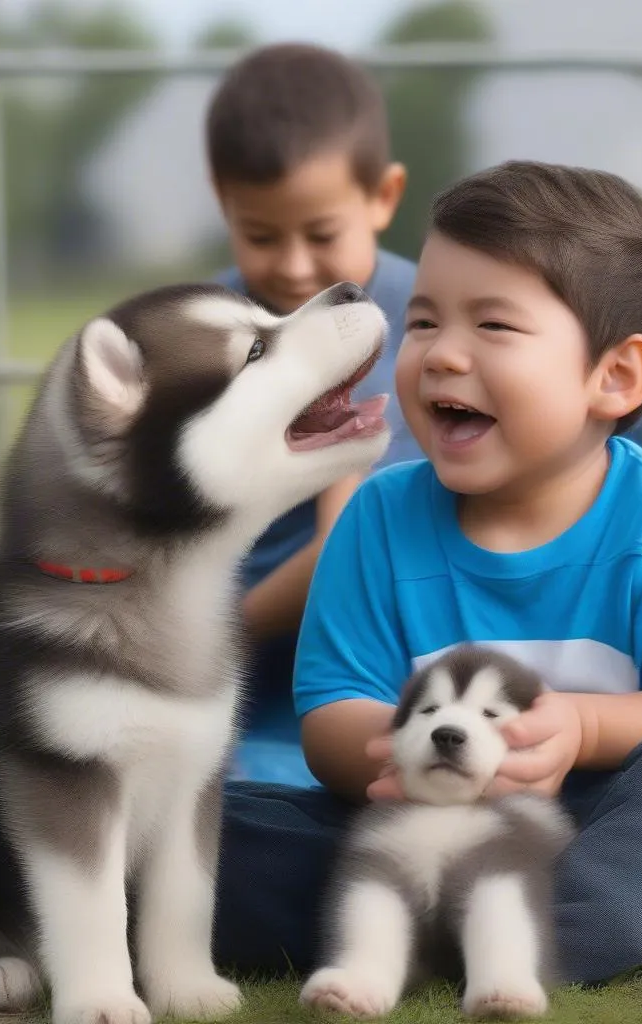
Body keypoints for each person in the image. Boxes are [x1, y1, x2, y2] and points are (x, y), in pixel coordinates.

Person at [213, 161, 642, 986]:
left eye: (494, 326)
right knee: (195, 830)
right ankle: (576, 937)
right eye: (422, 322)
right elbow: (333, 720)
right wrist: (423, 759)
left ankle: (561, 927)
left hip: (593, 828)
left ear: (615, 376)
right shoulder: (377, 520)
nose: (442, 355)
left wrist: (585, 728)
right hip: (405, 834)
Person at [205, 42, 423, 786]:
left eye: (322, 235)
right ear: (222, 200)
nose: (295, 267)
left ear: (384, 196)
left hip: (369, 671)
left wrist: (209, 639)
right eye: (262, 236)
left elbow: (344, 553)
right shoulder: (202, 335)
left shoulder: (432, 330)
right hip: (221, 679)